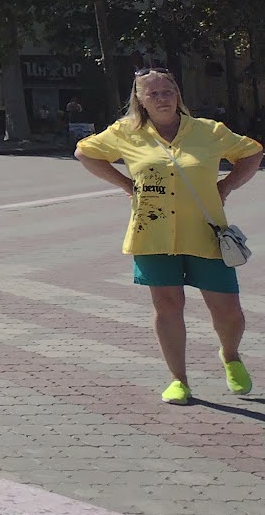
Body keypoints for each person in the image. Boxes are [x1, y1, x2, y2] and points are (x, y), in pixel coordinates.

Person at [76, 68, 263, 404]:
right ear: (140, 100)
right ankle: (179, 380)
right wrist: (125, 184)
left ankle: (230, 355)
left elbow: (252, 152)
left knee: (228, 311)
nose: (161, 99)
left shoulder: (208, 131)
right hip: (153, 234)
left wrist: (226, 186)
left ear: (177, 95)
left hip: (206, 234)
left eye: (167, 92)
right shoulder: (125, 132)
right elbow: (85, 152)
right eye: (153, 94)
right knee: (167, 307)